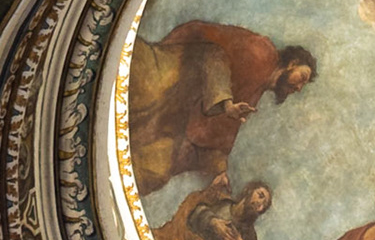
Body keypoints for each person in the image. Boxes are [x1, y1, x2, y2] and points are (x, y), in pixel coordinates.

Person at [125, 21, 316, 195]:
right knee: (143, 89)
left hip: (180, 110)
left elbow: (223, 131)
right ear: (292, 63)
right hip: (177, 73)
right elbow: (214, 54)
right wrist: (226, 103)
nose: (299, 88)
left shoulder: (257, 90)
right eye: (302, 78)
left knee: (155, 170)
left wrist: (219, 169)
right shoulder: (262, 53)